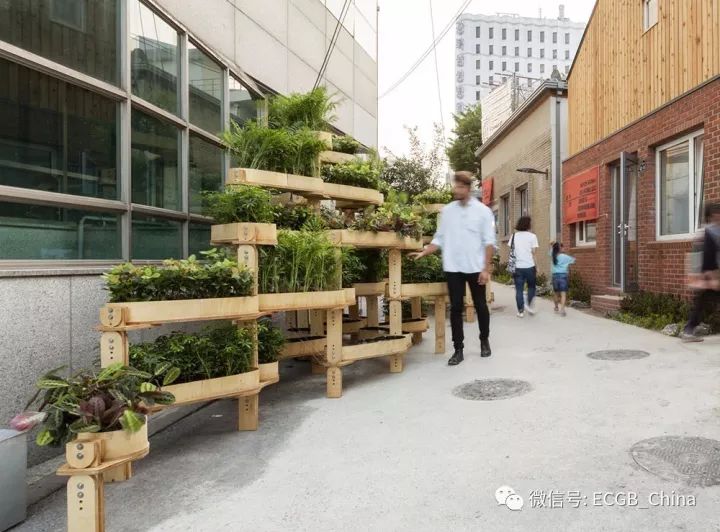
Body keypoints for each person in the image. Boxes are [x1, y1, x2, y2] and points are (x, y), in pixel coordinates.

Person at [409, 171, 496, 366]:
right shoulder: (447, 212)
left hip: (475, 266)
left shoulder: (483, 212)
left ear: (468, 188)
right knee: (455, 308)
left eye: (461, 187)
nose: (457, 190)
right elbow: (439, 238)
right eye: (455, 186)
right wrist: (425, 251)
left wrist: (485, 269)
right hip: (453, 267)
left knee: (480, 305)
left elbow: (489, 242)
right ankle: (458, 349)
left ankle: (484, 340)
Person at [681, 202, 720, 342]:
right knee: (701, 303)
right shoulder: (710, 231)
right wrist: (712, 276)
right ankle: (688, 330)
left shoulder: (710, 230)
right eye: (716, 213)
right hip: (709, 275)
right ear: (711, 216)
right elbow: (708, 255)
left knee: (701, 303)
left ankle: (688, 330)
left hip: (708, 275)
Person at [509, 216, 539, 317]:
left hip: (517, 267)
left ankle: (520, 311)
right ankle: (528, 303)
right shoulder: (532, 236)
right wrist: (537, 266)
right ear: (528, 224)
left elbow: (511, 251)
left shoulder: (513, 236)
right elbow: (534, 253)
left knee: (519, 290)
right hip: (530, 266)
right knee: (531, 287)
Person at [550, 242, 575, 316]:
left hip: (555, 276)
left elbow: (551, 250)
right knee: (563, 294)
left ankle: (556, 307)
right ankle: (562, 310)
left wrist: (552, 245)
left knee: (556, 293)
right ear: (560, 248)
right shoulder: (564, 256)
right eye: (562, 247)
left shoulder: (553, 255)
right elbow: (573, 260)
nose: (563, 248)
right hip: (563, 276)